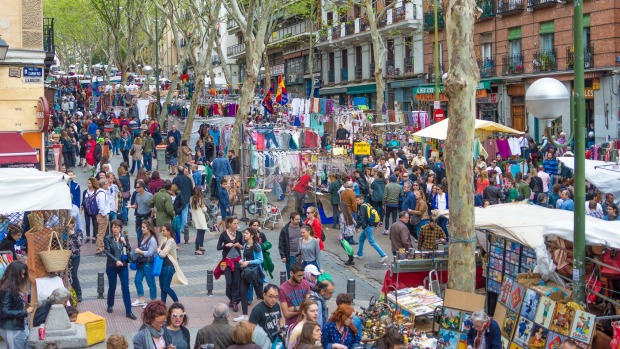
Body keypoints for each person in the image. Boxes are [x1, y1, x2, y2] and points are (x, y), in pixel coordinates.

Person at [104, 220, 136, 319]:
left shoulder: (124, 237)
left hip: (123, 265)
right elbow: (107, 252)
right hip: (112, 266)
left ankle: (128, 311)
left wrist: (125, 242)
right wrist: (115, 261)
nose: (115, 229)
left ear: (120, 228)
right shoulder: (108, 238)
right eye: (113, 227)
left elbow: (129, 249)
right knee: (112, 287)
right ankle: (110, 304)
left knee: (125, 288)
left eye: (117, 227)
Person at [0, 261, 34, 349]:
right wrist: (24, 312)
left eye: (24, 274)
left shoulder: (11, 288)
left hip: (17, 327)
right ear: (14, 275)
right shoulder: (7, 289)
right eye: (21, 274)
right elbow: (4, 312)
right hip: (12, 328)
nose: (23, 277)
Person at [236, 228, 265, 322]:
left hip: (255, 273)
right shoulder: (245, 245)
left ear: (252, 235)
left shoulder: (257, 246)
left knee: (260, 294)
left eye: (247, 233)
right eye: (244, 233)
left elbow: (260, 260)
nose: (244, 235)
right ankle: (244, 315)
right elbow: (245, 258)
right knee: (243, 293)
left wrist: (248, 262)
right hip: (246, 273)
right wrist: (242, 262)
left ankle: (268, 309)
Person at [217, 216, 244, 312]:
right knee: (229, 282)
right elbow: (218, 247)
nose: (236, 225)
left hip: (237, 261)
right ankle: (231, 298)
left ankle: (235, 301)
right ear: (229, 224)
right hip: (227, 262)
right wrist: (225, 245)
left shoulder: (240, 234)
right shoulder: (223, 234)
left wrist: (239, 245)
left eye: (237, 223)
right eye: (234, 223)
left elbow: (242, 247)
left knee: (236, 281)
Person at [132, 219, 158, 307]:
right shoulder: (143, 237)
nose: (142, 229)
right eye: (142, 227)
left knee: (150, 282)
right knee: (137, 280)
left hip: (148, 263)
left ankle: (153, 300)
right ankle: (141, 298)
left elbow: (150, 253)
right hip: (142, 263)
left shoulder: (152, 240)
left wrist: (139, 251)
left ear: (149, 228)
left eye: (144, 227)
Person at [355, 196, 387, 263]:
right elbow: (373, 214)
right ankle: (359, 254)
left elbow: (361, 218)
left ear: (362, 200)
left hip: (367, 226)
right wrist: (375, 225)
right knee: (361, 239)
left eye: (357, 200)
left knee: (372, 242)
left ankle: (383, 255)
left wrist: (357, 227)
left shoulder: (362, 207)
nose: (356, 202)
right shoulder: (367, 204)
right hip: (369, 225)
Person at [280, 262, 311, 327]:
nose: (301, 278)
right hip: (292, 324)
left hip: (306, 322)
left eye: (302, 275)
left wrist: (293, 309)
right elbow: (286, 314)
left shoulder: (306, 284)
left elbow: (308, 305)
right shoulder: (283, 289)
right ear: (291, 273)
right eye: (299, 276)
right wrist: (302, 310)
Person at [158, 223, 182, 304]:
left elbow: (162, 254)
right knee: (162, 286)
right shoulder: (165, 240)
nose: (162, 232)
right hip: (163, 266)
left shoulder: (171, 241)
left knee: (166, 287)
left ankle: (176, 302)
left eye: (164, 230)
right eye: (162, 230)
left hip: (169, 267)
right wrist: (159, 251)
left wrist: (159, 251)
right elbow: (158, 249)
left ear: (169, 232)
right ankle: (162, 304)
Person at [95, 178, 111, 255]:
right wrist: (104, 215)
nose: (108, 184)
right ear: (104, 185)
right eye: (107, 183)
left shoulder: (99, 192)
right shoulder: (102, 194)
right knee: (101, 233)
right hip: (102, 216)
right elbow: (101, 207)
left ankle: (101, 247)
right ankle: (99, 249)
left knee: (101, 233)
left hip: (101, 215)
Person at [190, 186, 208, 254]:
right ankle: (197, 249)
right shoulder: (200, 199)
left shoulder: (191, 198)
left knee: (201, 232)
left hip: (195, 217)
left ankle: (201, 246)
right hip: (200, 217)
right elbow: (204, 209)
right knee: (200, 233)